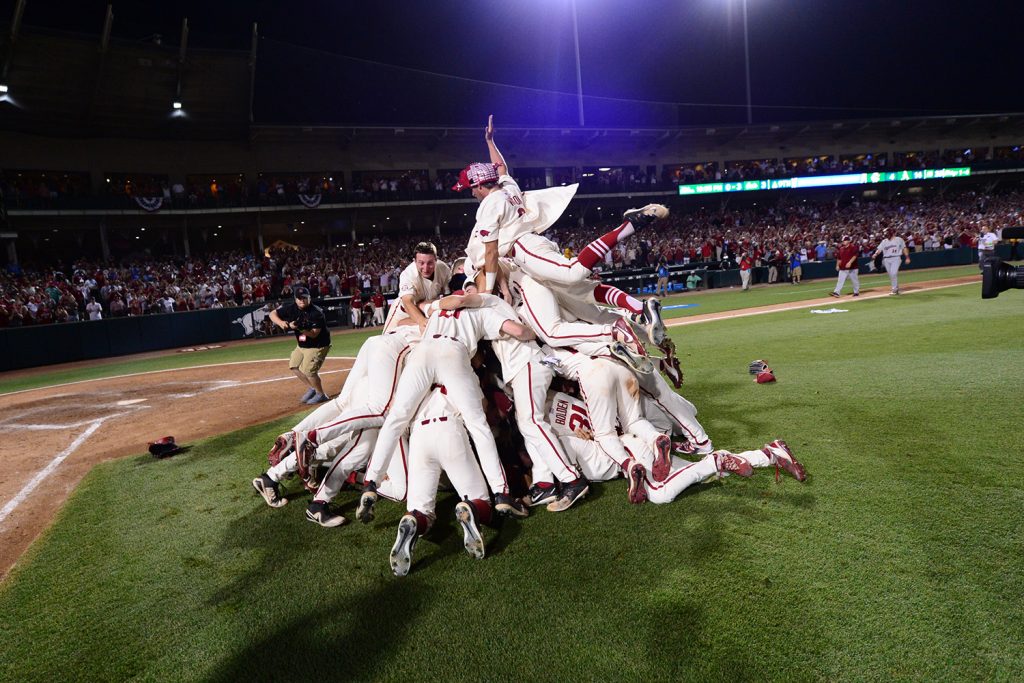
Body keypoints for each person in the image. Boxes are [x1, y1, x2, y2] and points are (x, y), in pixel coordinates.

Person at [269, 286, 332, 404]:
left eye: (304, 298)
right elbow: (272, 314)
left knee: (309, 371)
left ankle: (321, 394)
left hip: (318, 345)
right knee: (294, 366)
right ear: (295, 299)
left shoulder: (316, 312)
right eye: (299, 298)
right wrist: (281, 323)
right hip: (302, 344)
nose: (301, 300)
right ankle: (312, 388)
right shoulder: (291, 308)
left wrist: (299, 327)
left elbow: (314, 334)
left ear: (309, 298)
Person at [873, 227, 910, 295]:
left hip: (896, 258)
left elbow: (904, 248)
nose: (885, 235)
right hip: (886, 259)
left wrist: (907, 257)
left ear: (891, 233)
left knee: (893, 273)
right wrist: (875, 254)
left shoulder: (899, 239)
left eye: (886, 233)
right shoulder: (884, 241)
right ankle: (896, 288)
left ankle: (894, 290)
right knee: (891, 275)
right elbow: (879, 249)